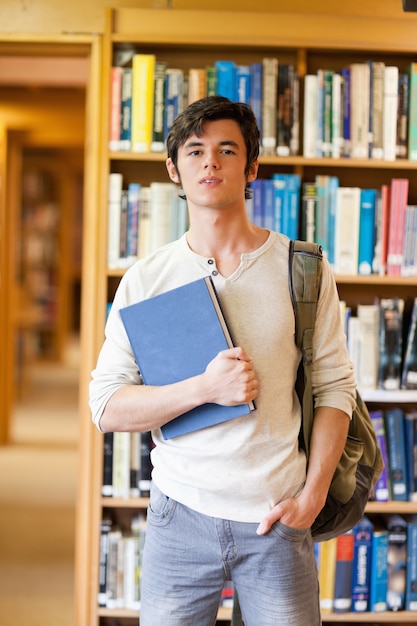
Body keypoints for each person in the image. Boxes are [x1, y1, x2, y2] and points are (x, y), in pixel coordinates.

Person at [89, 95, 356, 625]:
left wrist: (311, 498)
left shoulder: (302, 268)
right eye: (194, 151)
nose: (210, 162)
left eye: (226, 149)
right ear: (174, 170)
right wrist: (204, 389)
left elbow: (334, 387)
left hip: (278, 520)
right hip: (178, 518)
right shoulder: (145, 279)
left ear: (251, 167)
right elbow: (106, 407)